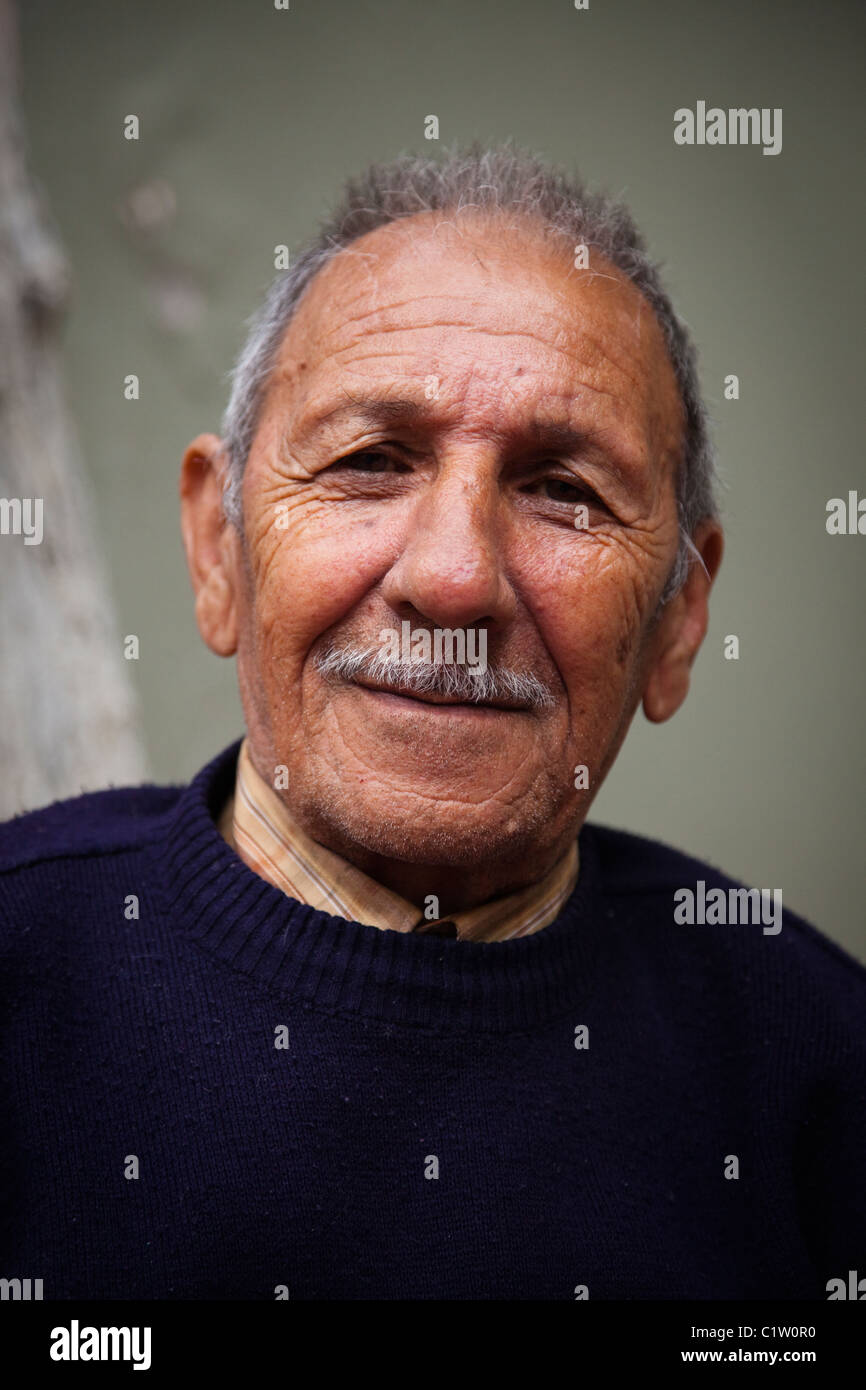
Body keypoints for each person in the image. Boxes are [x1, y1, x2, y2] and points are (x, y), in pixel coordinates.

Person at [1, 146, 863, 1300]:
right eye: (369, 461)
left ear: (675, 622)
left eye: (562, 489)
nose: (454, 580)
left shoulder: (818, 1059)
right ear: (218, 549)